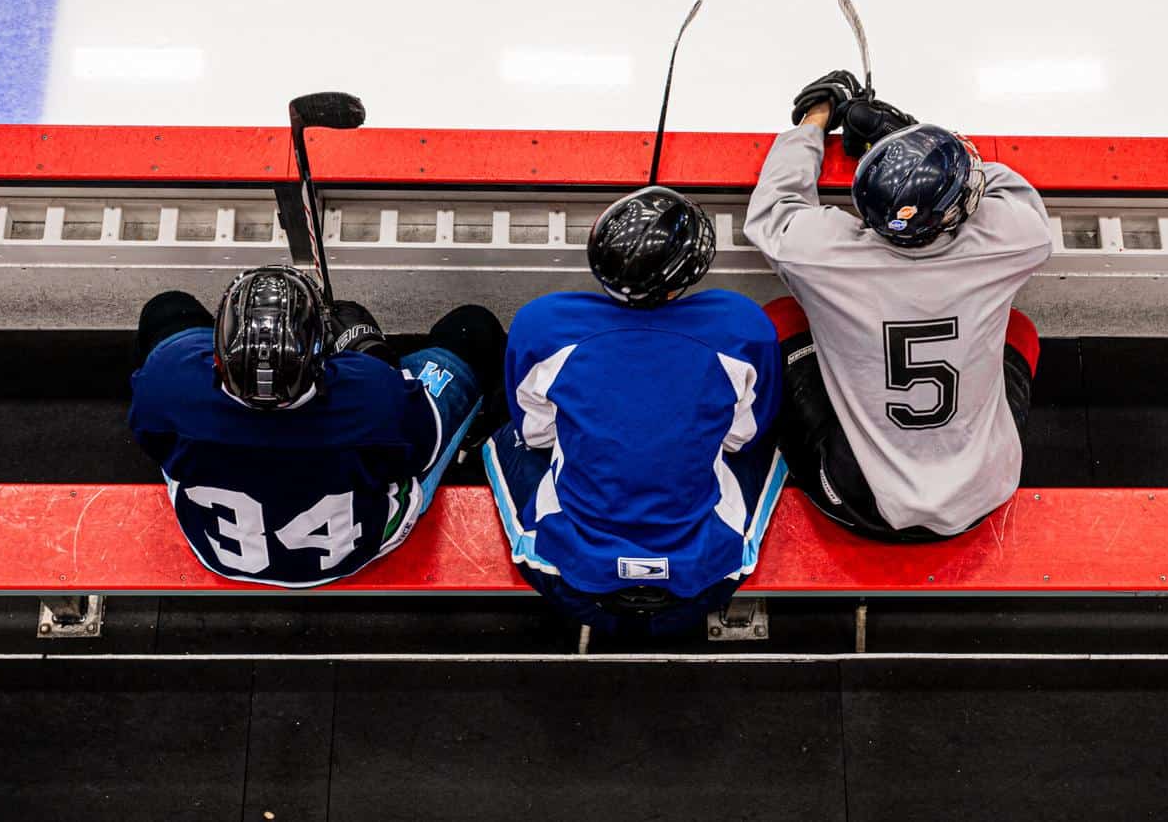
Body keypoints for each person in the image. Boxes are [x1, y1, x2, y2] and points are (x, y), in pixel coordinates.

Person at [743, 71, 1050, 541]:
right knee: (1020, 330)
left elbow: (774, 206)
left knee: (782, 317)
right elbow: (1006, 193)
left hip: (861, 499)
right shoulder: (1009, 243)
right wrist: (908, 138)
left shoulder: (822, 256)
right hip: (982, 492)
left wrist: (815, 119)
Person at [483, 186, 785, 636]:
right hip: (704, 579)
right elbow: (743, 437)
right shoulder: (742, 326)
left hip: (566, 575)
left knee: (504, 437)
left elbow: (537, 435)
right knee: (770, 446)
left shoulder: (541, 324)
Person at [128, 265, 506, 587]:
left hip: (220, 550)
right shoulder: (374, 397)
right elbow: (420, 447)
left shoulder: (166, 386)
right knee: (472, 330)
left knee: (167, 310)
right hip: (359, 547)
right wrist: (373, 355)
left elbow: (153, 438)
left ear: (218, 356)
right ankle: (478, 435)